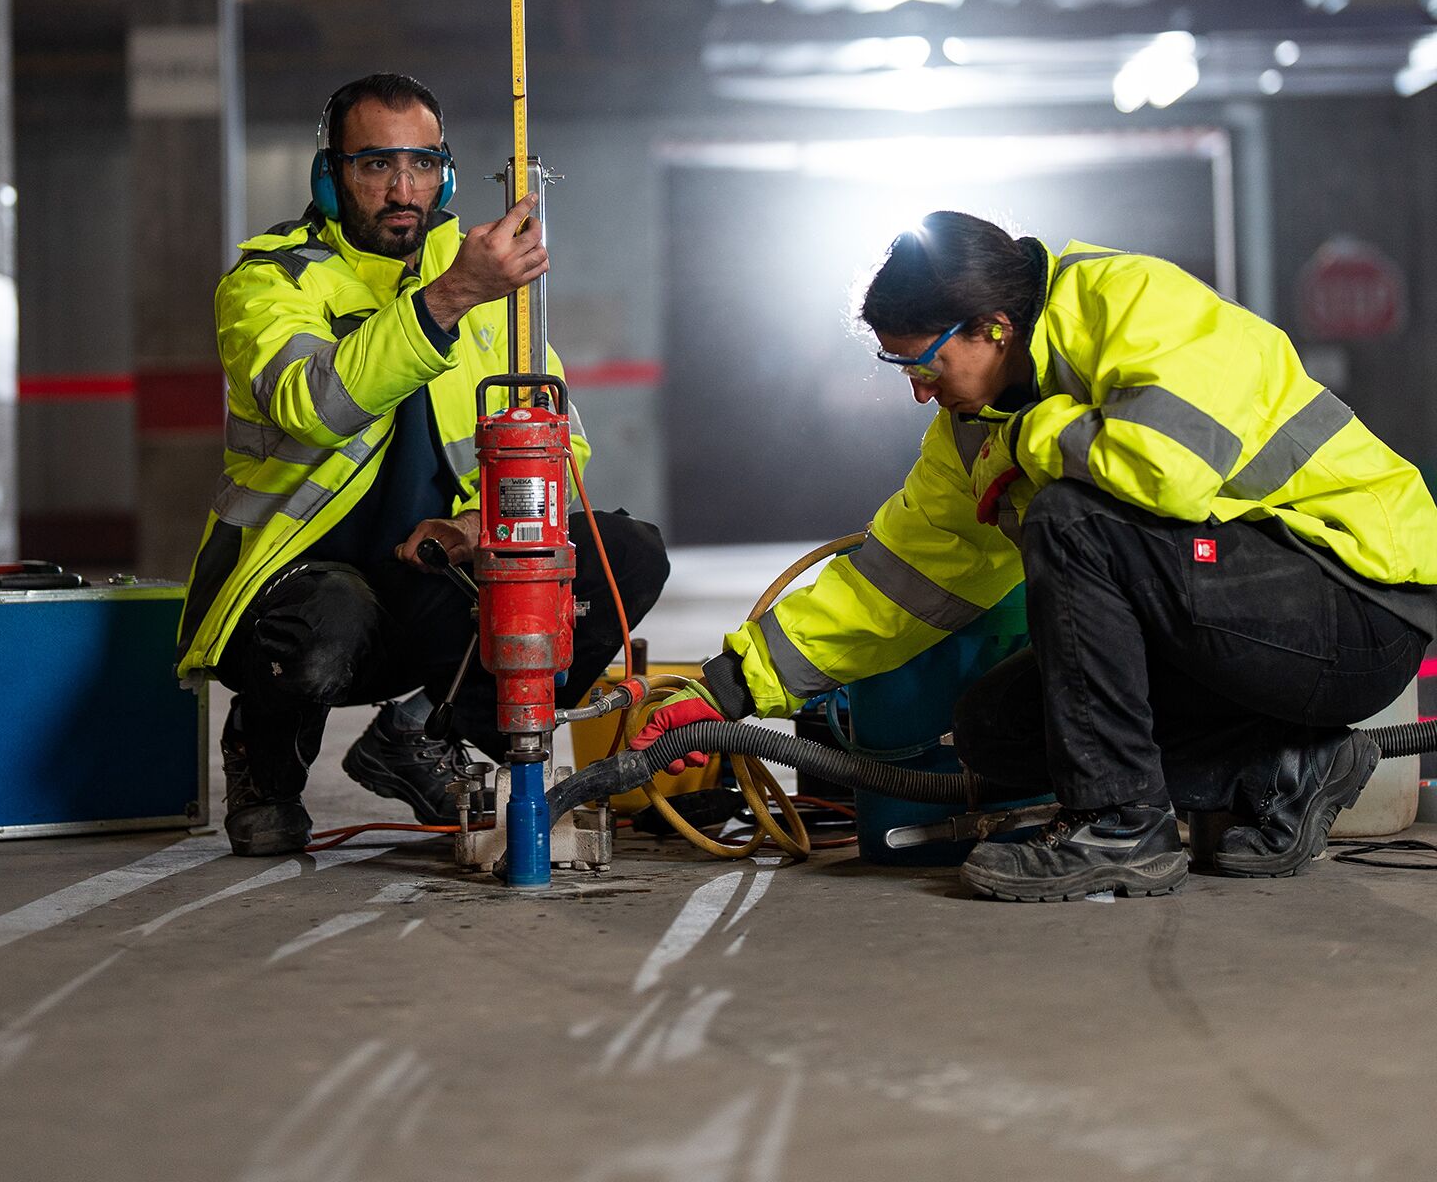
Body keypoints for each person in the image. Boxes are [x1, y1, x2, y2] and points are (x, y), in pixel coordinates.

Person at [634, 211, 1437, 901]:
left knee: (1069, 519)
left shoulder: (1134, 303)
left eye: (924, 364)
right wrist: (728, 690)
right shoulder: (972, 431)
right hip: (1243, 635)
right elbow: (896, 585)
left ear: (992, 326)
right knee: (999, 730)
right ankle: (1283, 770)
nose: (919, 390)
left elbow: (1167, 470)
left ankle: (1121, 828)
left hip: (1357, 605)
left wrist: (1031, 438)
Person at [177, 72, 669, 855]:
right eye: (375, 165)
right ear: (330, 176)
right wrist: (447, 298)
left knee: (624, 556)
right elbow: (313, 401)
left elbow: (553, 431)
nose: (403, 188)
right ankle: (263, 757)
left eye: (423, 164)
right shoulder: (270, 280)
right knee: (324, 626)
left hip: (429, 576)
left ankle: (420, 730)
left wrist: (481, 516)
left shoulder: (478, 271)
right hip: (298, 582)